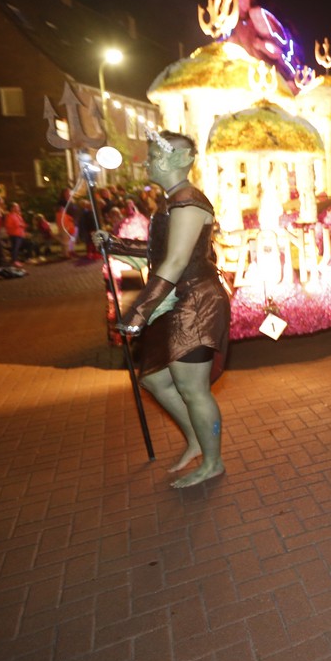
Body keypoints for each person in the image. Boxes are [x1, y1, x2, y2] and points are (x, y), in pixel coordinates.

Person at [99, 131, 232, 488]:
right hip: (176, 300)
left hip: (194, 303)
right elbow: (161, 253)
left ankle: (213, 463)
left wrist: (138, 313)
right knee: (155, 379)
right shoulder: (173, 200)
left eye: (152, 155)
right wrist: (115, 244)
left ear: (177, 159)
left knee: (193, 388)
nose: (145, 162)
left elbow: (175, 262)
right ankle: (197, 441)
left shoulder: (188, 203)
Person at [5, 201, 28, 266]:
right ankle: (14, 261)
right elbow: (9, 225)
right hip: (14, 234)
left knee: (17, 248)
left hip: (20, 234)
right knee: (15, 248)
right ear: (12, 208)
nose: (18, 208)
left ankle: (16, 260)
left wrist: (23, 226)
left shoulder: (18, 215)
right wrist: (20, 225)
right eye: (16, 207)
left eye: (18, 206)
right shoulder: (10, 216)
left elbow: (21, 223)